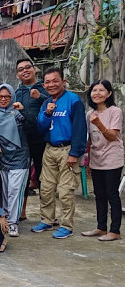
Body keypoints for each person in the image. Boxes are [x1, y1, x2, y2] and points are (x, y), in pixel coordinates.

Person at [31, 67, 87, 239]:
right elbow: (40, 128)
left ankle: (66, 226)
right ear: (43, 84)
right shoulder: (46, 102)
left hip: (67, 150)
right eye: (47, 82)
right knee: (46, 188)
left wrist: (75, 153)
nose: (51, 84)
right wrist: (48, 113)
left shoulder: (73, 100)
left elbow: (80, 128)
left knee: (65, 191)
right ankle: (47, 220)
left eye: (55, 81)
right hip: (50, 149)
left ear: (63, 82)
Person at [0, 84, 30, 237]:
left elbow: (32, 126)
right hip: (2, 160)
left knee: (14, 192)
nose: (3, 99)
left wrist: (22, 112)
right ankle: (4, 220)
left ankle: (13, 223)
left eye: (7, 96)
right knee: (4, 192)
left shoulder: (17, 113)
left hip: (19, 158)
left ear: (12, 97)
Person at [81, 80, 123, 241]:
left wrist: (99, 123)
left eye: (101, 90)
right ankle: (101, 227)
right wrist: (89, 160)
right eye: (94, 90)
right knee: (99, 194)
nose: (97, 93)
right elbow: (91, 139)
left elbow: (112, 136)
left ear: (109, 93)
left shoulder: (115, 111)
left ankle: (115, 230)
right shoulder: (89, 114)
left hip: (112, 158)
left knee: (112, 194)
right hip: (96, 159)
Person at [14, 58, 49, 220]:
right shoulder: (17, 92)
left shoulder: (45, 88)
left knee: (44, 176)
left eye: (28, 67)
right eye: (21, 69)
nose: (25, 71)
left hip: (41, 139)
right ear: (17, 74)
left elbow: (54, 104)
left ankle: (46, 214)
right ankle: (21, 212)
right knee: (24, 177)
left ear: (35, 69)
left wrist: (40, 96)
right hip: (22, 139)